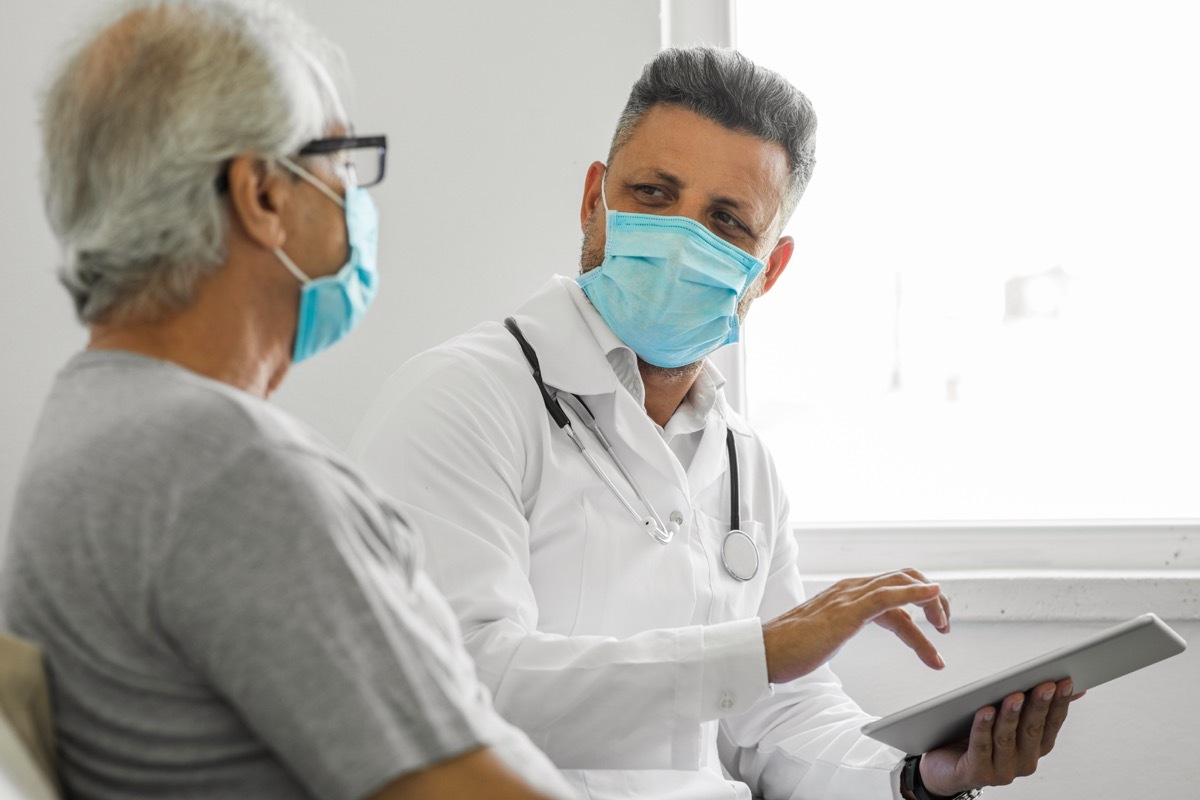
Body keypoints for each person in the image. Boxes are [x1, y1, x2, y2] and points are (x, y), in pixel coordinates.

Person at [352, 47, 1082, 800]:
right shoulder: (464, 398)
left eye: (726, 221)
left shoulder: (743, 461)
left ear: (770, 269)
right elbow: (457, 684)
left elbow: (783, 721)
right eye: (654, 193)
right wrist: (757, 653)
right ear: (593, 201)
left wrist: (916, 776)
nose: (679, 241)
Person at [0, 2, 577, 798]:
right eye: (340, 161)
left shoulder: (92, 417)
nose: (354, 198)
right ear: (262, 196)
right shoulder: (229, 471)